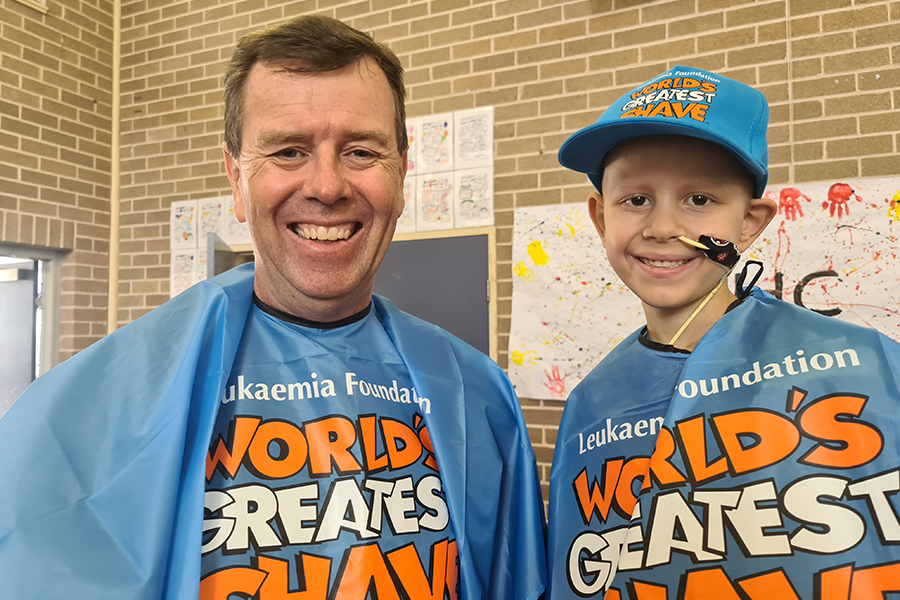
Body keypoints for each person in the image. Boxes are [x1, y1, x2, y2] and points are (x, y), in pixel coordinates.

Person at [0, 16, 547, 600]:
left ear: (402, 175)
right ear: (237, 178)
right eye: (288, 151)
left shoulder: (481, 398)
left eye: (362, 151)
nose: (328, 186)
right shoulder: (95, 410)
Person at [546, 65, 900, 599]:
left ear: (751, 221)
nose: (663, 228)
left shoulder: (867, 366)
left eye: (699, 200)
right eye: (636, 200)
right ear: (600, 217)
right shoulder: (591, 404)